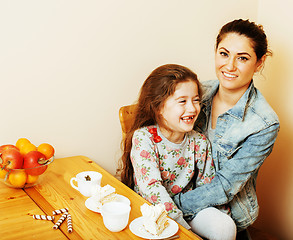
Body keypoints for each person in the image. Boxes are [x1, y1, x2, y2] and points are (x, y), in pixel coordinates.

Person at [173, 19, 280, 239]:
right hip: (175, 197)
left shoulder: (264, 123)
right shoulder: (195, 93)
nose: (230, 66)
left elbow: (224, 186)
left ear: (259, 63)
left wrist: (170, 205)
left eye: (242, 58)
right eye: (224, 54)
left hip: (226, 214)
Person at [118, 64, 237, 239]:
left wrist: (221, 217)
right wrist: (184, 231)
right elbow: (152, 189)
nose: (192, 108)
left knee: (225, 227)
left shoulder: (199, 141)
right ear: (158, 107)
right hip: (152, 212)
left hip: (187, 208)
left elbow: (207, 188)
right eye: (182, 101)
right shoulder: (144, 138)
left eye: (196, 100)